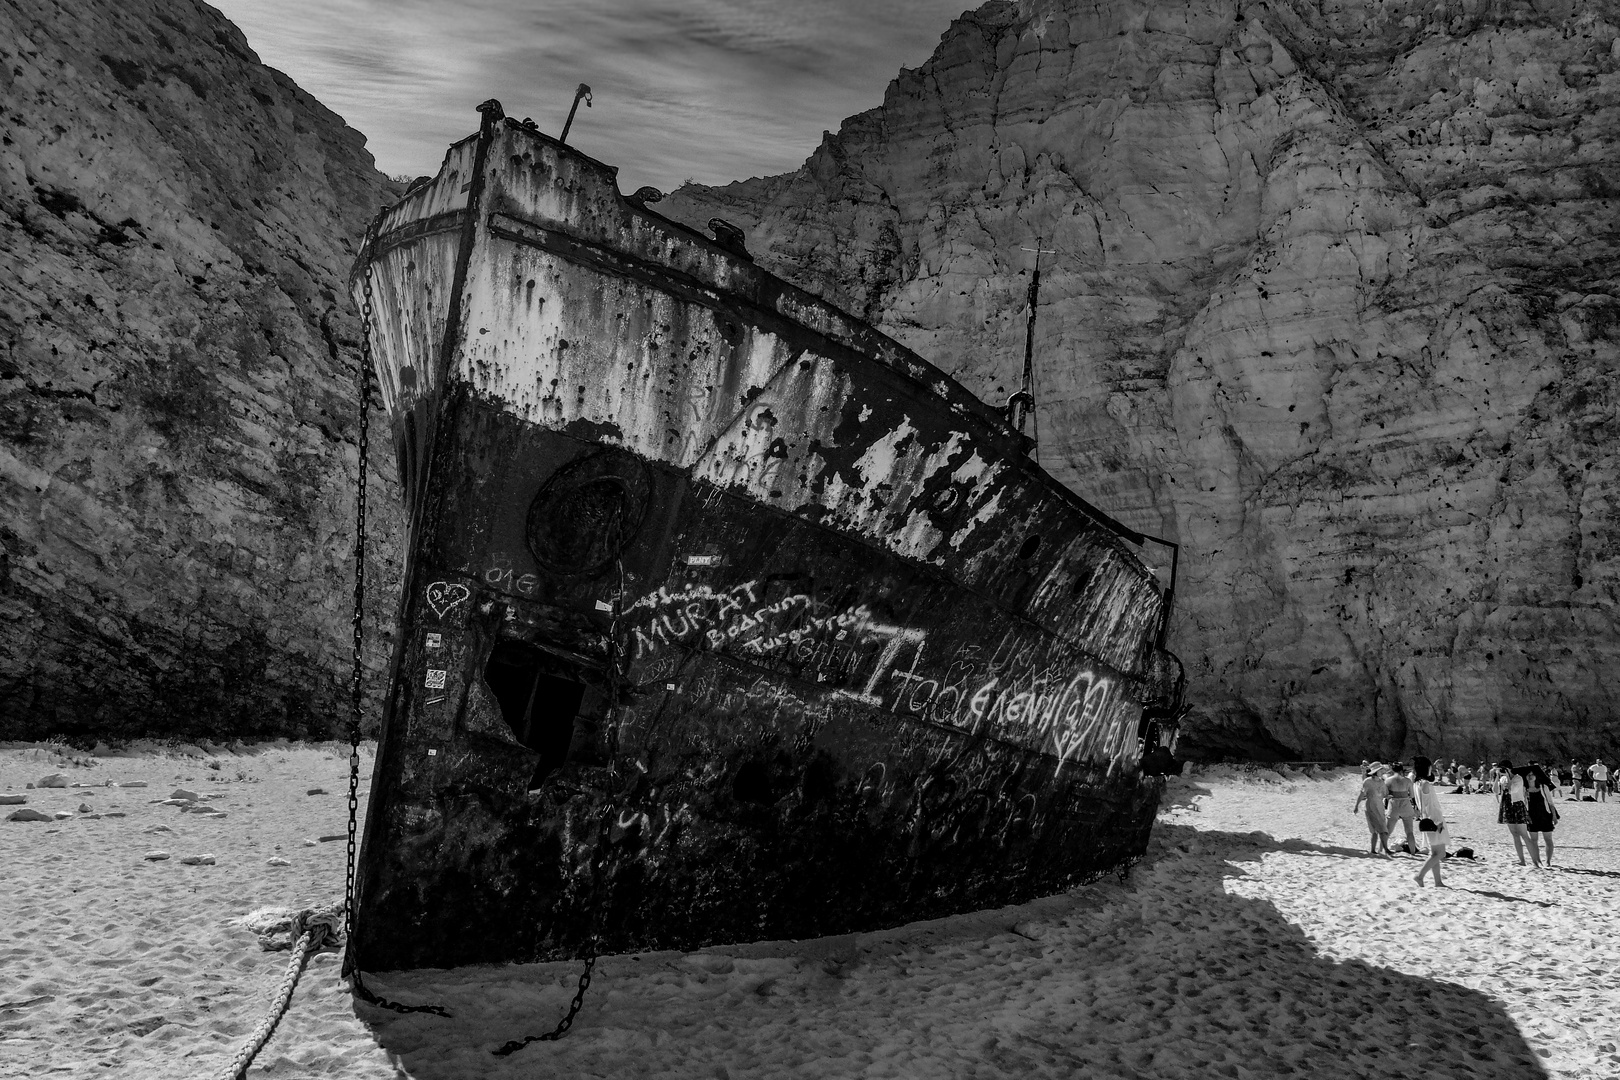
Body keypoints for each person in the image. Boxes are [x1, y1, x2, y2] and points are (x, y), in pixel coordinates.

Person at [1413, 756, 1448, 887]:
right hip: (1433, 819)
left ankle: (1438, 881)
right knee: (1440, 853)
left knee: (1434, 853)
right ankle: (1420, 875)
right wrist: (1438, 822)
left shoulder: (1416, 783)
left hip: (1426, 819)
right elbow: (1429, 805)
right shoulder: (1425, 783)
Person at [1495, 759, 1538, 867]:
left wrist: (1509, 776)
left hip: (1517, 806)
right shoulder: (1503, 778)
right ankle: (1522, 860)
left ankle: (1535, 862)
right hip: (1507, 806)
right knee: (1515, 835)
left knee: (1524, 835)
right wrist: (1497, 777)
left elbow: (1512, 790)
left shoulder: (1518, 778)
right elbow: (1495, 790)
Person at [1353, 763, 1392, 857]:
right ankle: (1384, 849)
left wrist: (1389, 797)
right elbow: (1362, 794)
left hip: (1380, 807)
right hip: (1371, 807)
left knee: (1380, 829)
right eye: (1381, 770)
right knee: (1377, 830)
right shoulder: (1367, 781)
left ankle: (1374, 850)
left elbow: (1384, 794)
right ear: (1376, 771)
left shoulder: (1382, 782)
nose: (1382, 772)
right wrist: (1356, 806)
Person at [1524, 762, 1558, 866]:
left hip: (1545, 815)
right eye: (1528, 775)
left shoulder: (1544, 787)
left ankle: (1548, 861)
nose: (1530, 776)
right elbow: (1523, 804)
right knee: (1533, 840)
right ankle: (1537, 860)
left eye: (1532, 774)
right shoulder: (1524, 789)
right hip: (1531, 816)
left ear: (1536, 776)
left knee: (1548, 839)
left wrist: (1554, 815)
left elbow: (1550, 803)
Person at [1385, 762, 1418, 854]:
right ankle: (1413, 852)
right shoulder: (1407, 781)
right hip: (1406, 805)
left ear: (1392, 770)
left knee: (1388, 830)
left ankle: (1382, 849)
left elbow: (1385, 794)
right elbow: (1412, 795)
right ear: (1401, 770)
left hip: (1394, 804)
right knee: (1409, 832)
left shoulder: (1388, 780)